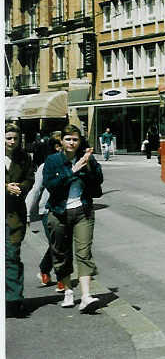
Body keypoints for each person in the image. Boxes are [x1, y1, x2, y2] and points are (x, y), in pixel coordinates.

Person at [43, 125, 104, 312]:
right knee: (61, 253)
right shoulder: (53, 160)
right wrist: (73, 171)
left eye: (75, 139)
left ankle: (86, 296)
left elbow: (98, 181)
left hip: (82, 211)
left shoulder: (86, 158)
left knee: (84, 253)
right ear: (61, 141)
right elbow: (50, 185)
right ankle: (68, 291)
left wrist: (90, 164)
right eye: (68, 139)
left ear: (80, 142)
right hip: (59, 212)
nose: (72, 142)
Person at [26, 132, 64, 290]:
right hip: (47, 210)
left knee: (60, 244)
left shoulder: (73, 163)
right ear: (57, 147)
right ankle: (62, 279)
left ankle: (44, 268)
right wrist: (27, 213)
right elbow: (35, 190)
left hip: (66, 210)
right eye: (66, 141)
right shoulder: (45, 166)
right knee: (57, 244)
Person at [6, 123, 35, 317]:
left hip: (14, 214)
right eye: (8, 138)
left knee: (12, 255)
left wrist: (20, 188)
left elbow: (30, 178)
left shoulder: (23, 157)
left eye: (15, 138)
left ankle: (14, 301)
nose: (12, 142)